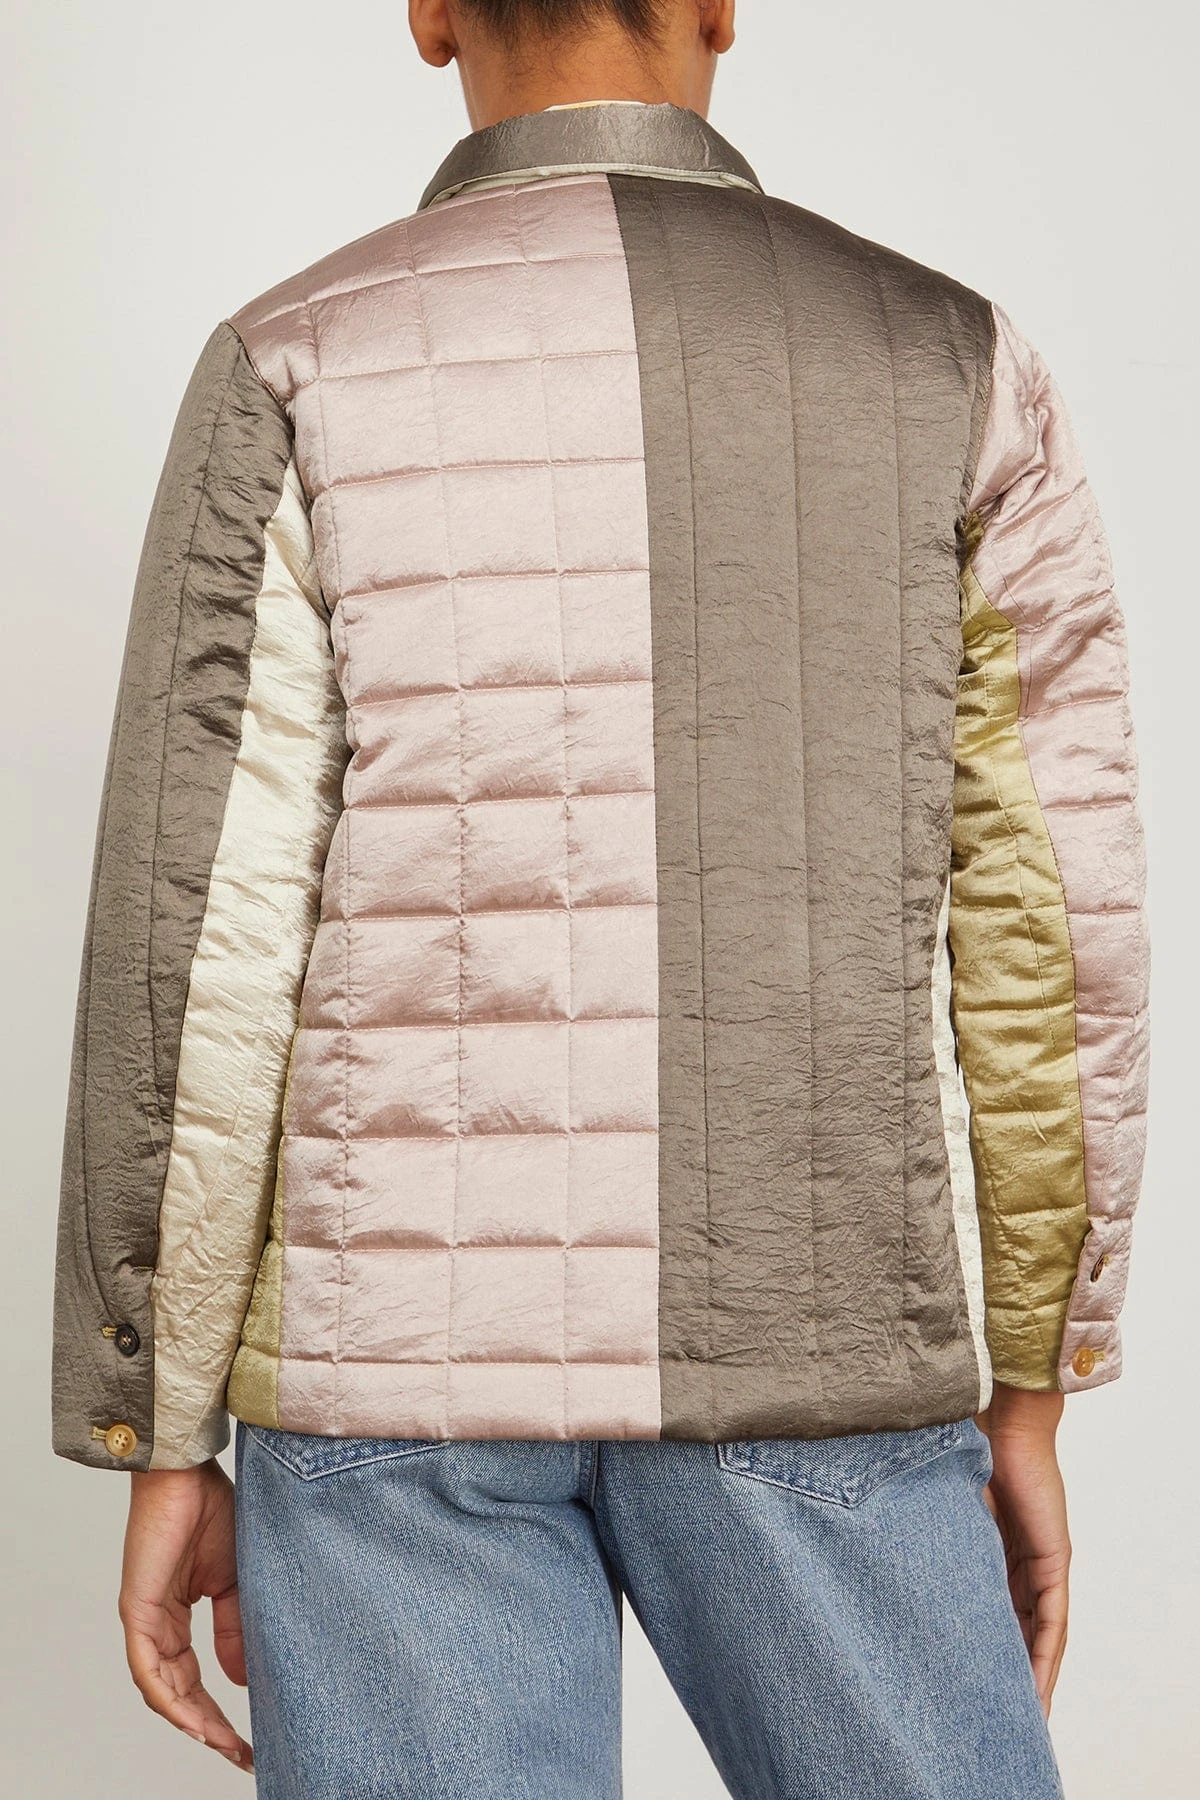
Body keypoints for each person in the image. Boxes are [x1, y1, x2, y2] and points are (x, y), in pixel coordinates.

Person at [51, 2, 1151, 1795]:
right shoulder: (950, 361)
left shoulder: (296, 357)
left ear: (429, 16)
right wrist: (1036, 1371)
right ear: (721, 4)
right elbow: (1056, 931)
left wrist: (158, 1421)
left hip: (387, 1389)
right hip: (819, 1347)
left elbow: (200, 951)